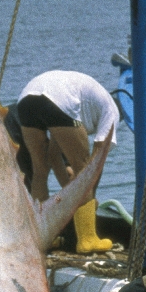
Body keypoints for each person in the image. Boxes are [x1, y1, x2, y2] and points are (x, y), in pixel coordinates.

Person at [17, 70, 119, 254]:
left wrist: (72, 197)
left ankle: (42, 238)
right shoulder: (111, 113)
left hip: (26, 98)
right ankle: (87, 239)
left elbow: (55, 158)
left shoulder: (80, 111)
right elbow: (93, 167)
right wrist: (87, 197)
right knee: (84, 168)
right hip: (57, 98)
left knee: (39, 170)